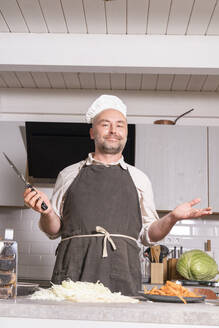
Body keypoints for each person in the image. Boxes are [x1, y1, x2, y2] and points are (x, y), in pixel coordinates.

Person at [24, 95, 212, 296]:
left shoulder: (139, 179)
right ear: (92, 132)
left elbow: (149, 235)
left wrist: (172, 218)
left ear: (126, 133)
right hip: (72, 276)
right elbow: (54, 230)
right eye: (105, 124)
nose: (113, 131)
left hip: (123, 277)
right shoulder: (68, 174)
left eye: (120, 125)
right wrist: (46, 213)